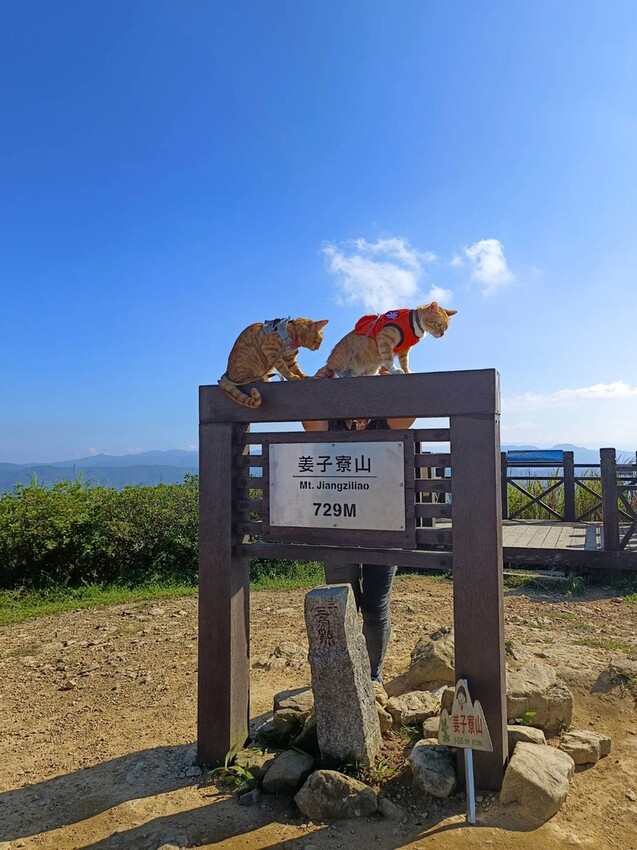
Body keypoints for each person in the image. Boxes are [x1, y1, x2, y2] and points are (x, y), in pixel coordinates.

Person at [301, 367, 414, 685]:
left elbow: (409, 415)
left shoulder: (385, 418)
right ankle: (343, 675)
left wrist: (397, 383)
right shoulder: (331, 419)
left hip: (384, 524)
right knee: (341, 601)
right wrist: (317, 388)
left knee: (376, 606)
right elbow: (311, 424)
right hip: (337, 523)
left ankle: (371, 677)